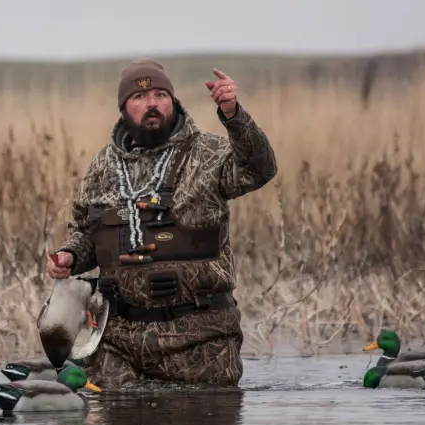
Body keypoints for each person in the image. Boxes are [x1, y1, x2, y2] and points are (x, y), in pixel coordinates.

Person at [47, 58, 277, 389]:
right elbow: (85, 232)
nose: (151, 104)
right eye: (139, 98)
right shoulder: (102, 167)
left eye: (160, 94)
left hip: (200, 341)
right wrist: (69, 256)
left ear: (173, 100)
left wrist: (233, 115)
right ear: (123, 109)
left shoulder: (208, 153)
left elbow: (260, 169)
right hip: (117, 342)